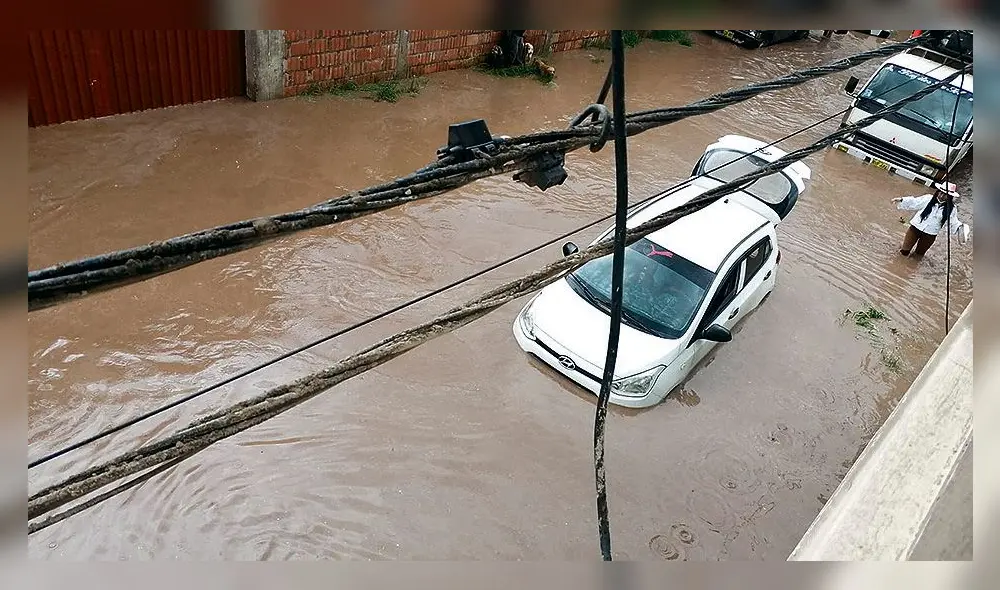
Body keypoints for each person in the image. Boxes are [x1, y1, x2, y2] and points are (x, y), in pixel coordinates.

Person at [891, 181, 970, 257]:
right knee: (904, 252)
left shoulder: (952, 209)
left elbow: (953, 223)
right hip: (914, 229)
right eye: (941, 193)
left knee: (918, 255)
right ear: (938, 192)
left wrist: (962, 229)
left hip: (930, 235)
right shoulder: (928, 199)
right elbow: (914, 202)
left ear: (950, 197)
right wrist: (901, 199)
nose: (941, 196)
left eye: (945, 195)